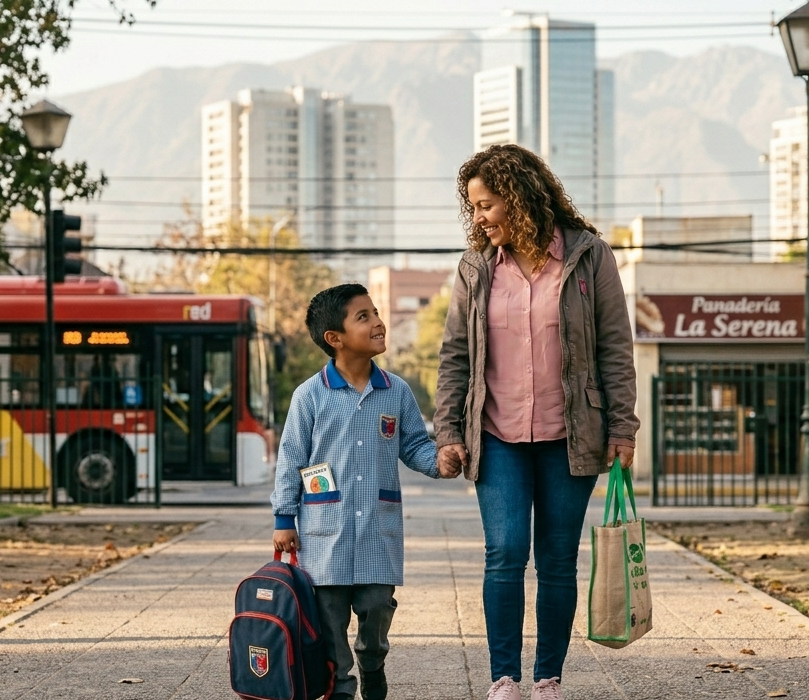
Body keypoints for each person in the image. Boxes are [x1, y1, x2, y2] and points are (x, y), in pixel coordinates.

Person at [432, 144, 640, 700]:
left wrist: (623, 427)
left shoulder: (588, 256)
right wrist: (448, 432)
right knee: (503, 551)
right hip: (497, 435)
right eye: (473, 207)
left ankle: (547, 677)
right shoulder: (476, 269)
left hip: (571, 435)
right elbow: (456, 355)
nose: (477, 217)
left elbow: (615, 348)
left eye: (486, 204)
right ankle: (505, 678)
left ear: (518, 197)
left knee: (556, 559)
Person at [271, 283, 463, 700]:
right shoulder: (310, 396)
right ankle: (341, 685)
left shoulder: (396, 392)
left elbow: (413, 445)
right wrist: (284, 518)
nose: (378, 321)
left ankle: (372, 665)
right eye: (364, 316)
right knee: (330, 623)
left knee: (377, 609)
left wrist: (440, 462)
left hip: (378, 534)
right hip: (325, 538)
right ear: (334, 339)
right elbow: (291, 458)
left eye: (376, 312)